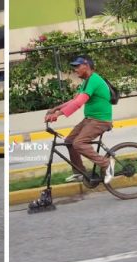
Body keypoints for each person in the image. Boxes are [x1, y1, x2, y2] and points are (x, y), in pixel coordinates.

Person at [29, 55, 115, 211]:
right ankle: (80, 172)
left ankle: (106, 163)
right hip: (90, 119)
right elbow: (74, 100)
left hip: (100, 120)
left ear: (86, 65)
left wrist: (58, 115)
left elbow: (78, 103)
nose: (75, 70)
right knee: (69, 141)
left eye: (77, 67)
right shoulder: (87, 82)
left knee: (79, 143)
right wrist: (56, 108)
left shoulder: (94, 79)